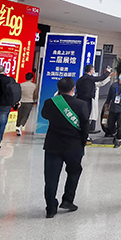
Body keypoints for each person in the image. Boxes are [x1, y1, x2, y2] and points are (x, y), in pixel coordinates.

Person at [40, 77, 89, 218]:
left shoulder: (50, 102)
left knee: (51, 177)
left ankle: (50, 208)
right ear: (73, 89)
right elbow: (85, 127)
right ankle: (68, 200)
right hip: (73, 146)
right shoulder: (81, 104)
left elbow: (44, 115)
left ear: (58, 89)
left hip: (52, 145)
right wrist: (82, 143)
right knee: (74, 172)